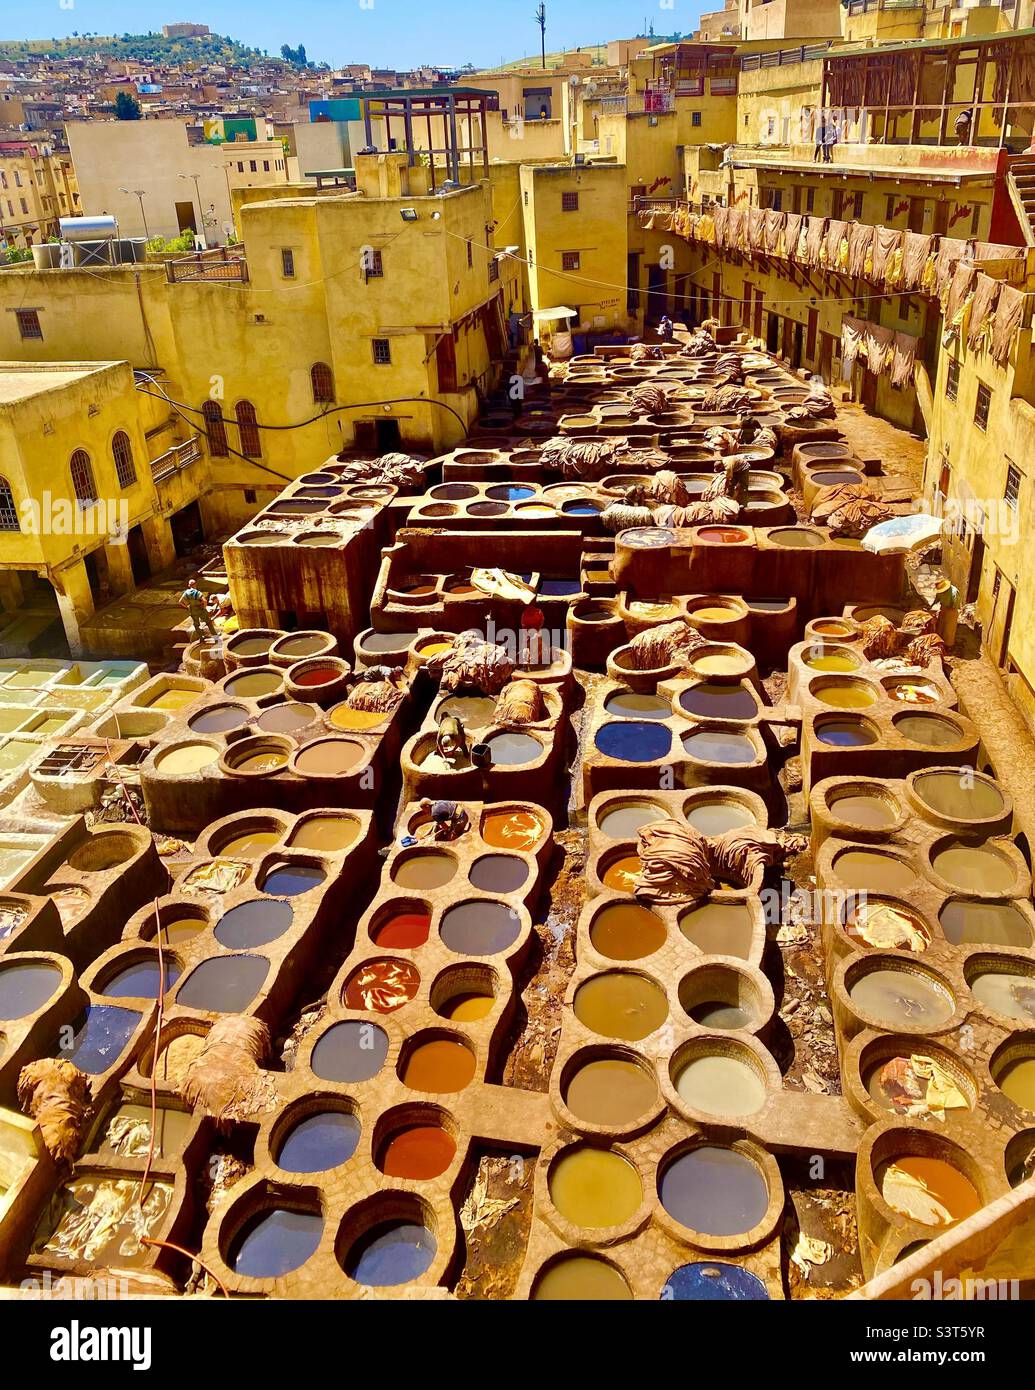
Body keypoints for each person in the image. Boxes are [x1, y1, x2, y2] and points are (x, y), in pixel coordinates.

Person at [179, 576, 217, 640]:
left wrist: (187, 607)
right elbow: (204, 601)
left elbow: (180, 601)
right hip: (200, 609)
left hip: (192, 610)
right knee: (208, 622)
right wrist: (204, 607)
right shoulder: (197, 592)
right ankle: (215, 637)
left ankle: (201, 638)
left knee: (196, 625)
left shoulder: (186, 593)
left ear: (189, 585)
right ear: (195, 585)